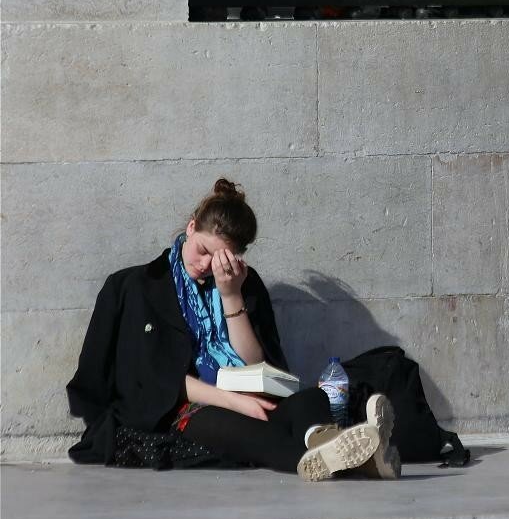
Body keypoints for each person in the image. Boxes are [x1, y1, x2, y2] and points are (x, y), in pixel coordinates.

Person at [66, 179, 402, 481]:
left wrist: (230, 295)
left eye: (218, 259)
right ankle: (358, 459)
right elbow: (155, 378)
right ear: (191, 227)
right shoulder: (139, 286)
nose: (204, 265)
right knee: (260, 436)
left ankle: (331, 446)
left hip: (248, 393)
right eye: (202, 251)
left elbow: (257, 364)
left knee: (312, 399)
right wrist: (231, 402)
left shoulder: (243, 283)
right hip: (185, 407)